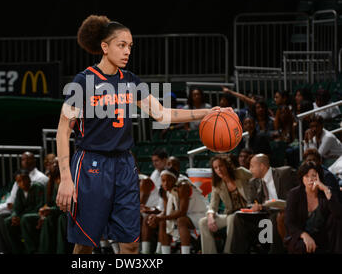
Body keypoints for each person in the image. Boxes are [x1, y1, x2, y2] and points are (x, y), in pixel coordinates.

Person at [55, 15, 234, 254]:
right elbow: (63, 129)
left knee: (131, 243)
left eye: (130, 46)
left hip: (124, 164)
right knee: (86, 243)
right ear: (104, 47)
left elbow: (162, 115)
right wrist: (66, 179)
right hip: (91, 164)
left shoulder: (131, 81)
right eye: (121, 45)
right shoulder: (83, 80)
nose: (127, 51)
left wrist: (207, 112)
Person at [0, 151, 48, 254]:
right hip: (15, 209)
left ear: (34, 161)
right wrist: (2, 208)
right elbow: (12, 200)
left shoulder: (40, 180)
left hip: (29, 212)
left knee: (2, 217)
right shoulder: (19, 180)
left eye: (28, 159)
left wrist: (15, 213)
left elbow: (38, 204)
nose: (26, 161)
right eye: (23, 159)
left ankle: (6, 250)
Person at [231, 154, 298, 254]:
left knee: (274, 218)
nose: (250, 169)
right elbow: (250, 202)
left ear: (262, 166)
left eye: (252, 166)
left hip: (284, 213)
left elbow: (298, 194)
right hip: (264, 213)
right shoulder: (254, 182)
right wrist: (255, 206)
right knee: (238, 217)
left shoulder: (285, 173)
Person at [198, 154, 252, 254]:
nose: (219, 169)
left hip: (248, 213)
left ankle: (228, 251)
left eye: (221, 166)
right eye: (215, 168)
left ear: (227, 165)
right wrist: (210, 216)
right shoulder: (217, 184)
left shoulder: (240, 172)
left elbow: (257, 177)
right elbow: (213, 205)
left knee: (232, 217)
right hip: (230, 214)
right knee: (203, 222)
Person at [284, 161, 342, 253]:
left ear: (319, 177)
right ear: (302, 179)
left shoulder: (326, 192)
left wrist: (326, 190)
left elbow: (338, 214)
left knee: (337, 221)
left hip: (321, 236)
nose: (310, 179)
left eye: (314, 176)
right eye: (306, 176)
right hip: (299, 235)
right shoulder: (294, 194)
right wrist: (304, 235)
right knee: (303, 246)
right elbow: (289, 222)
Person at [154, 166, 208, 254]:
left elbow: (182, 212)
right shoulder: (167, 190)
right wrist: (156, 217)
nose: (165, 183)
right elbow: (166, 211)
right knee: (163, 222)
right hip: (189, 215)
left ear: (175, 179)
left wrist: (161, 217)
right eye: (163, 180)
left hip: (201, 214)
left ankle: (185, 252)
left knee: (181, 221)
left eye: (169, 180)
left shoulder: (183, 186)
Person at [3, 169, 45, 254]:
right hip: (24, 216)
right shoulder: (20, 191)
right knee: (8, 221)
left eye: (24, 179)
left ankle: (31, 250)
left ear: (29, 179)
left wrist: (20, 217)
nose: (22, 183)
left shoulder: (38, 187)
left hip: (37, 214)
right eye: (19, 181)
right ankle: (17, 250)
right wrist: (14, 216)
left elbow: (39, 206)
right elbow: (16, 208)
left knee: (25, 219)